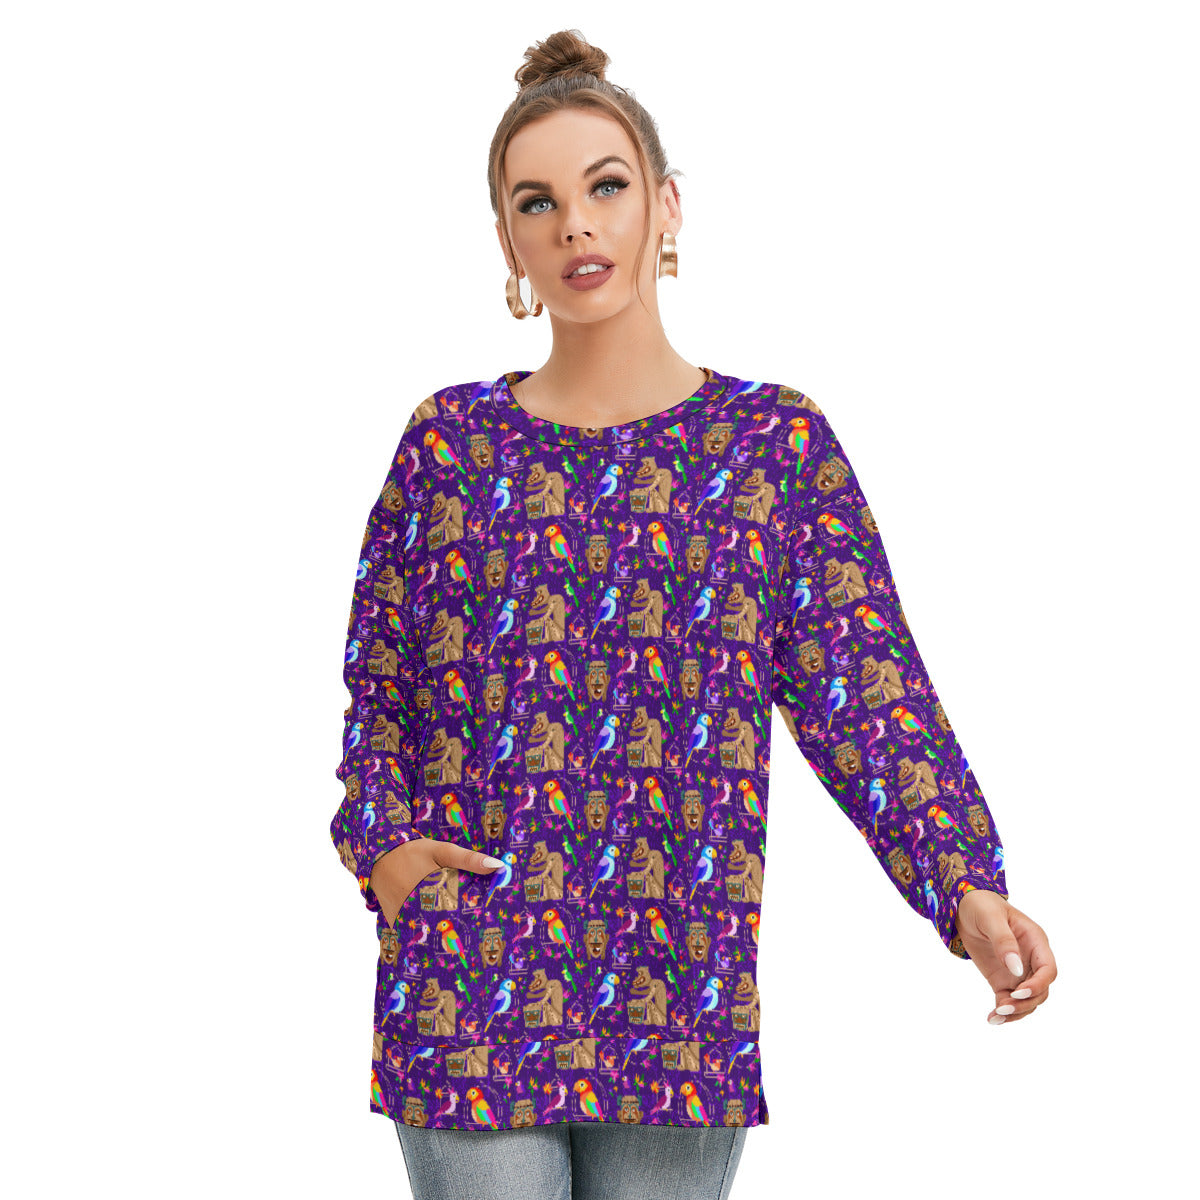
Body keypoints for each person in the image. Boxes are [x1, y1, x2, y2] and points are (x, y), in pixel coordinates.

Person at [328, 27, 1057, 1200]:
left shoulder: (772, 449)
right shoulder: (448, 447)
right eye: (537, 203)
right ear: (507, 240)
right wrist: (384, 848)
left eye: (606, 188)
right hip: (469, 978)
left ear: (666, 207)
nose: (576, 226)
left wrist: (962, 883)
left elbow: (867, 694)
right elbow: (380, 689)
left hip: (675, 989)